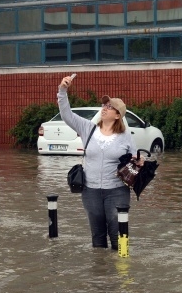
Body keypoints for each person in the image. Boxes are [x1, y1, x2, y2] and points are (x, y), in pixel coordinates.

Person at [58, 75, 142, 250]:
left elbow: (134, 159)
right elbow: (67, 115)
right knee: (97, 237)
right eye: (104, 105)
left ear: (118, 115)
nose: (104, 108)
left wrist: (140, 162)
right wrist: (63, 90)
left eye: (110, 107)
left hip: (117, 191)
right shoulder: (88, 128)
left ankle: (120, 272)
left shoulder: (125, 136)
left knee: (118, 236)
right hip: (91, 191)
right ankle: (100, 275)